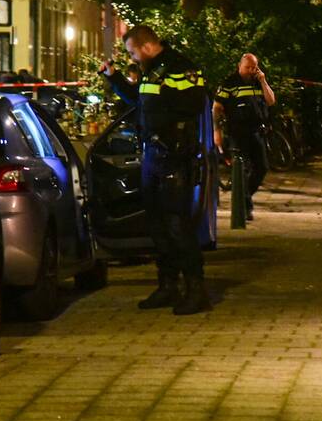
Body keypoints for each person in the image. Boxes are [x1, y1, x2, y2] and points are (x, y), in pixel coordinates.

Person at [102, 25, 211, 315]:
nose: (133, 58)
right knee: (157, 223)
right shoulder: (151, 71)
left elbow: (196, 103)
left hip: (175, 155)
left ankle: (195, 288)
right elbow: (140, 102)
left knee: (177, 223)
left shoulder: (181, 68)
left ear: (146, 46)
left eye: (132, 52)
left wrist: (163, 100)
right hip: (153, 154)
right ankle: (168, 285)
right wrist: (113, 78)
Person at [213, 53, 276, 220]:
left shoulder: (257, 82)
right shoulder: (229, 83)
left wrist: (263, 80)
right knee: (242, 169)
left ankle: (243, 197)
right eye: (247, 67)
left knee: (262, 167)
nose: (250, 70)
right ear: (239, 66)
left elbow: (270, 101)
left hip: (256, 131)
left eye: (253, 67)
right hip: (237, 132)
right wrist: (216, 131)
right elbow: (217, 108)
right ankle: (245, 206)